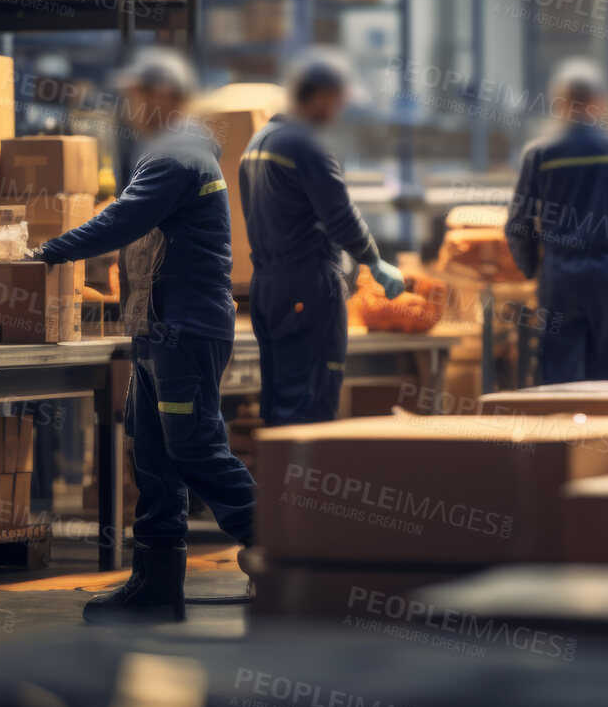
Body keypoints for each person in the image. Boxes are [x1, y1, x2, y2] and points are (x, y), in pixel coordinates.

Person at [30, 46, 255, 624]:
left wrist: (44, 255)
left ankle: (285, 541)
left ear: (163, 98)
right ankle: (156, 588)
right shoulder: (171, 154)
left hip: (185, 328)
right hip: (158, 328)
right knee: (153, 458)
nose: (128, 109)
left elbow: (120, 222)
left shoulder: (177, 156)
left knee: (194, 448)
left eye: (135, 97)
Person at [237, 51, 406, 426]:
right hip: (308, 286)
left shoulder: (257, 143)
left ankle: (278, 481)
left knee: (280, 400)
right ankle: (303, 483)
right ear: (323, 96)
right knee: (312, 400)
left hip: (267, 287)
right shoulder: (306, 144)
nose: (339, 111)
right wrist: (373, 260)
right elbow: (340, 214)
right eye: (339, 101)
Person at [505, 59, 608, 383]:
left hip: (560, 276)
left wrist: (535, 268)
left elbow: (518, 224)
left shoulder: (540, 154)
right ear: (599, 102)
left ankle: (559, 434)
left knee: (556, 373)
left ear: (560, 102)